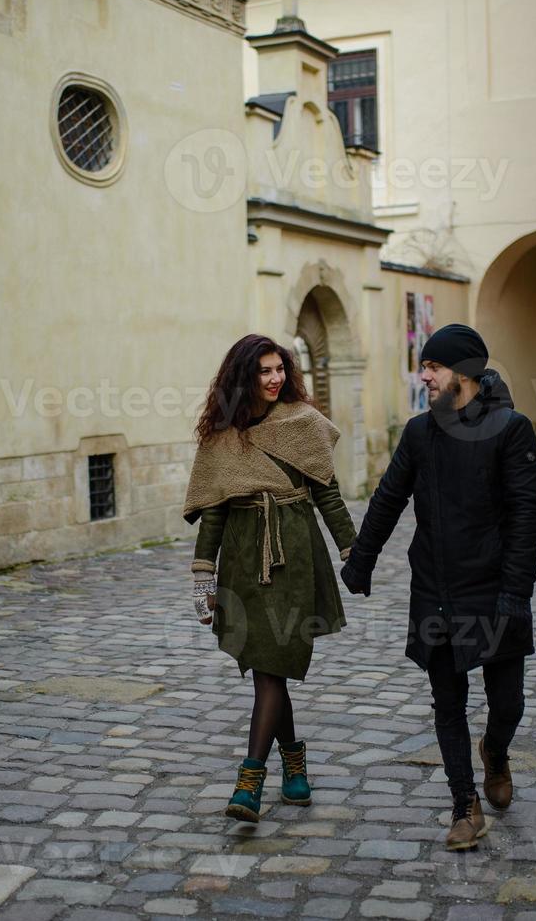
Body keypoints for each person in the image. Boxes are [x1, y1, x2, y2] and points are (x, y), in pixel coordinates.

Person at [340, 323, 536, 851]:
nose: (423, 374)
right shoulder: (419, 432)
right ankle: (464, 805)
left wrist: (515, 593)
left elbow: (527, 516)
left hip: (495, 588)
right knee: (447, 702)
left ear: (464, 373)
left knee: (509, 703)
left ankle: (495, 752)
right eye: (423, 365)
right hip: (435, 589)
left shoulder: (511, 429)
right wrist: (362, 561)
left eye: (432, 366)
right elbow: (388, 498)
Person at [184, 334, 357, 823]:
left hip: (296, 555)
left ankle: (249, 781)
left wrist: (353, 552)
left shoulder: (303, 423)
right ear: (244, 376)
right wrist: (204, 579)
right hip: (243, 557)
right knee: (267, 669)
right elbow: (214, 515)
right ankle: (294, 765)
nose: (275, 378)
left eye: (280, 368)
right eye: (263, 371)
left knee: (271, 668)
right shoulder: (223, 436)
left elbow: (328, 495)